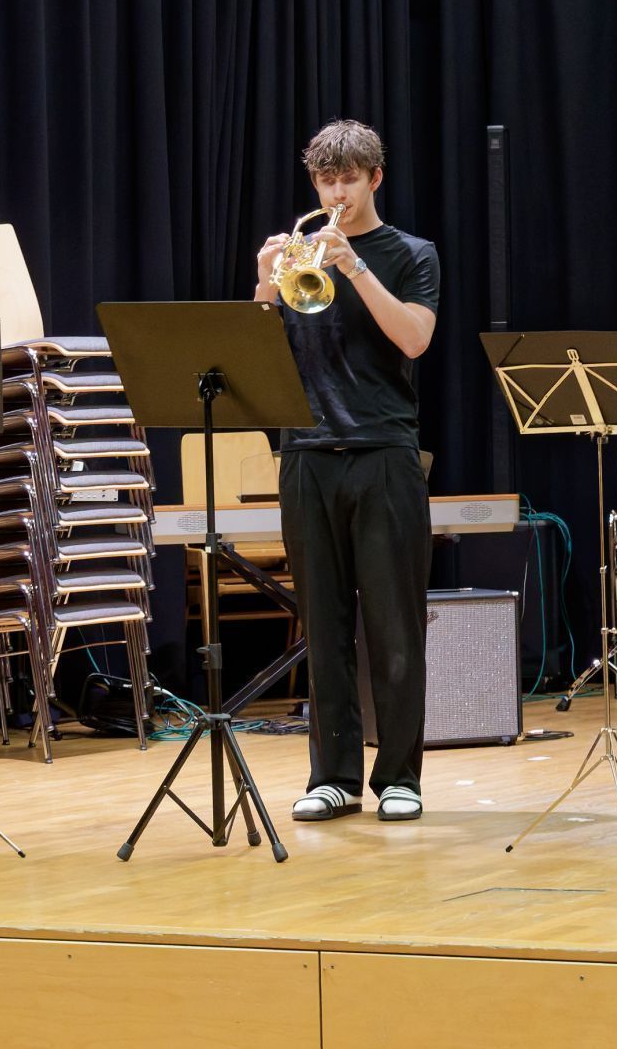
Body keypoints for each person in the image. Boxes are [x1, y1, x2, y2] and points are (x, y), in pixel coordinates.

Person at [257, 120, 439, 824]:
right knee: (322, 628)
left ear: (375, 180)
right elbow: (261, 357)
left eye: (349, 180)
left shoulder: (409, 254)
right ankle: (332, 775)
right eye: (326, 182)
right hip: (306, 454)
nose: (337, 194)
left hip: (384, 453)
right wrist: (265, 293)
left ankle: (400, 775)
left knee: (394, 626)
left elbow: (415, 339)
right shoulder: (296, 257)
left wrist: (354, 267)